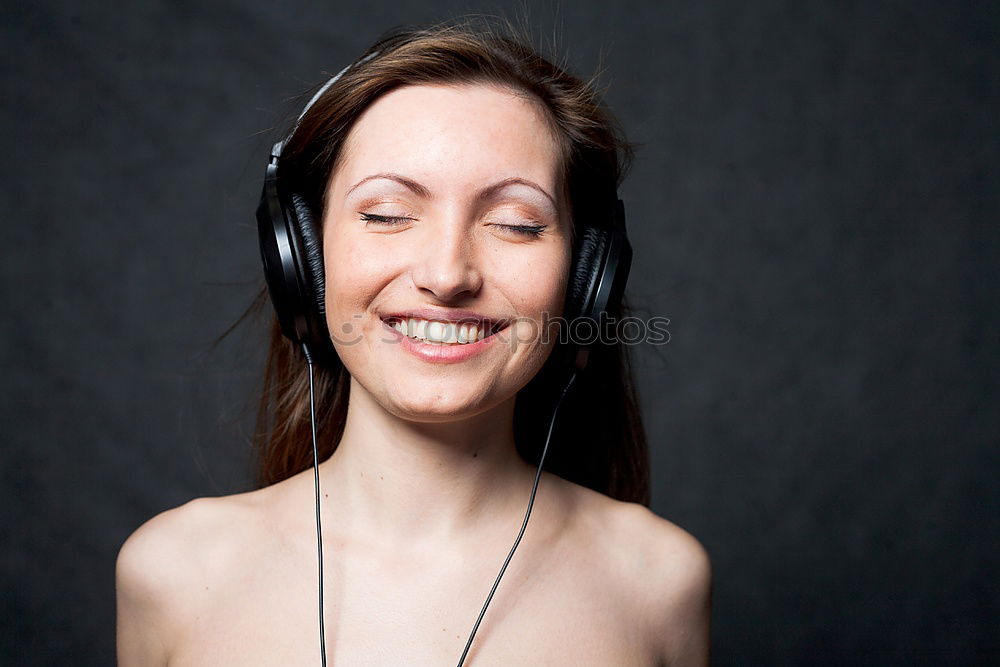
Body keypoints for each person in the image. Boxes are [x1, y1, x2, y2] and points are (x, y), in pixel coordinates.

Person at [116, 20, 711, 666]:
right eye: (386, 214)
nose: (447, 274)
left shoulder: (659, 582)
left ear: (588, 276)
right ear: (302, 258)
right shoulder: (171, 574)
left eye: (515, 223)